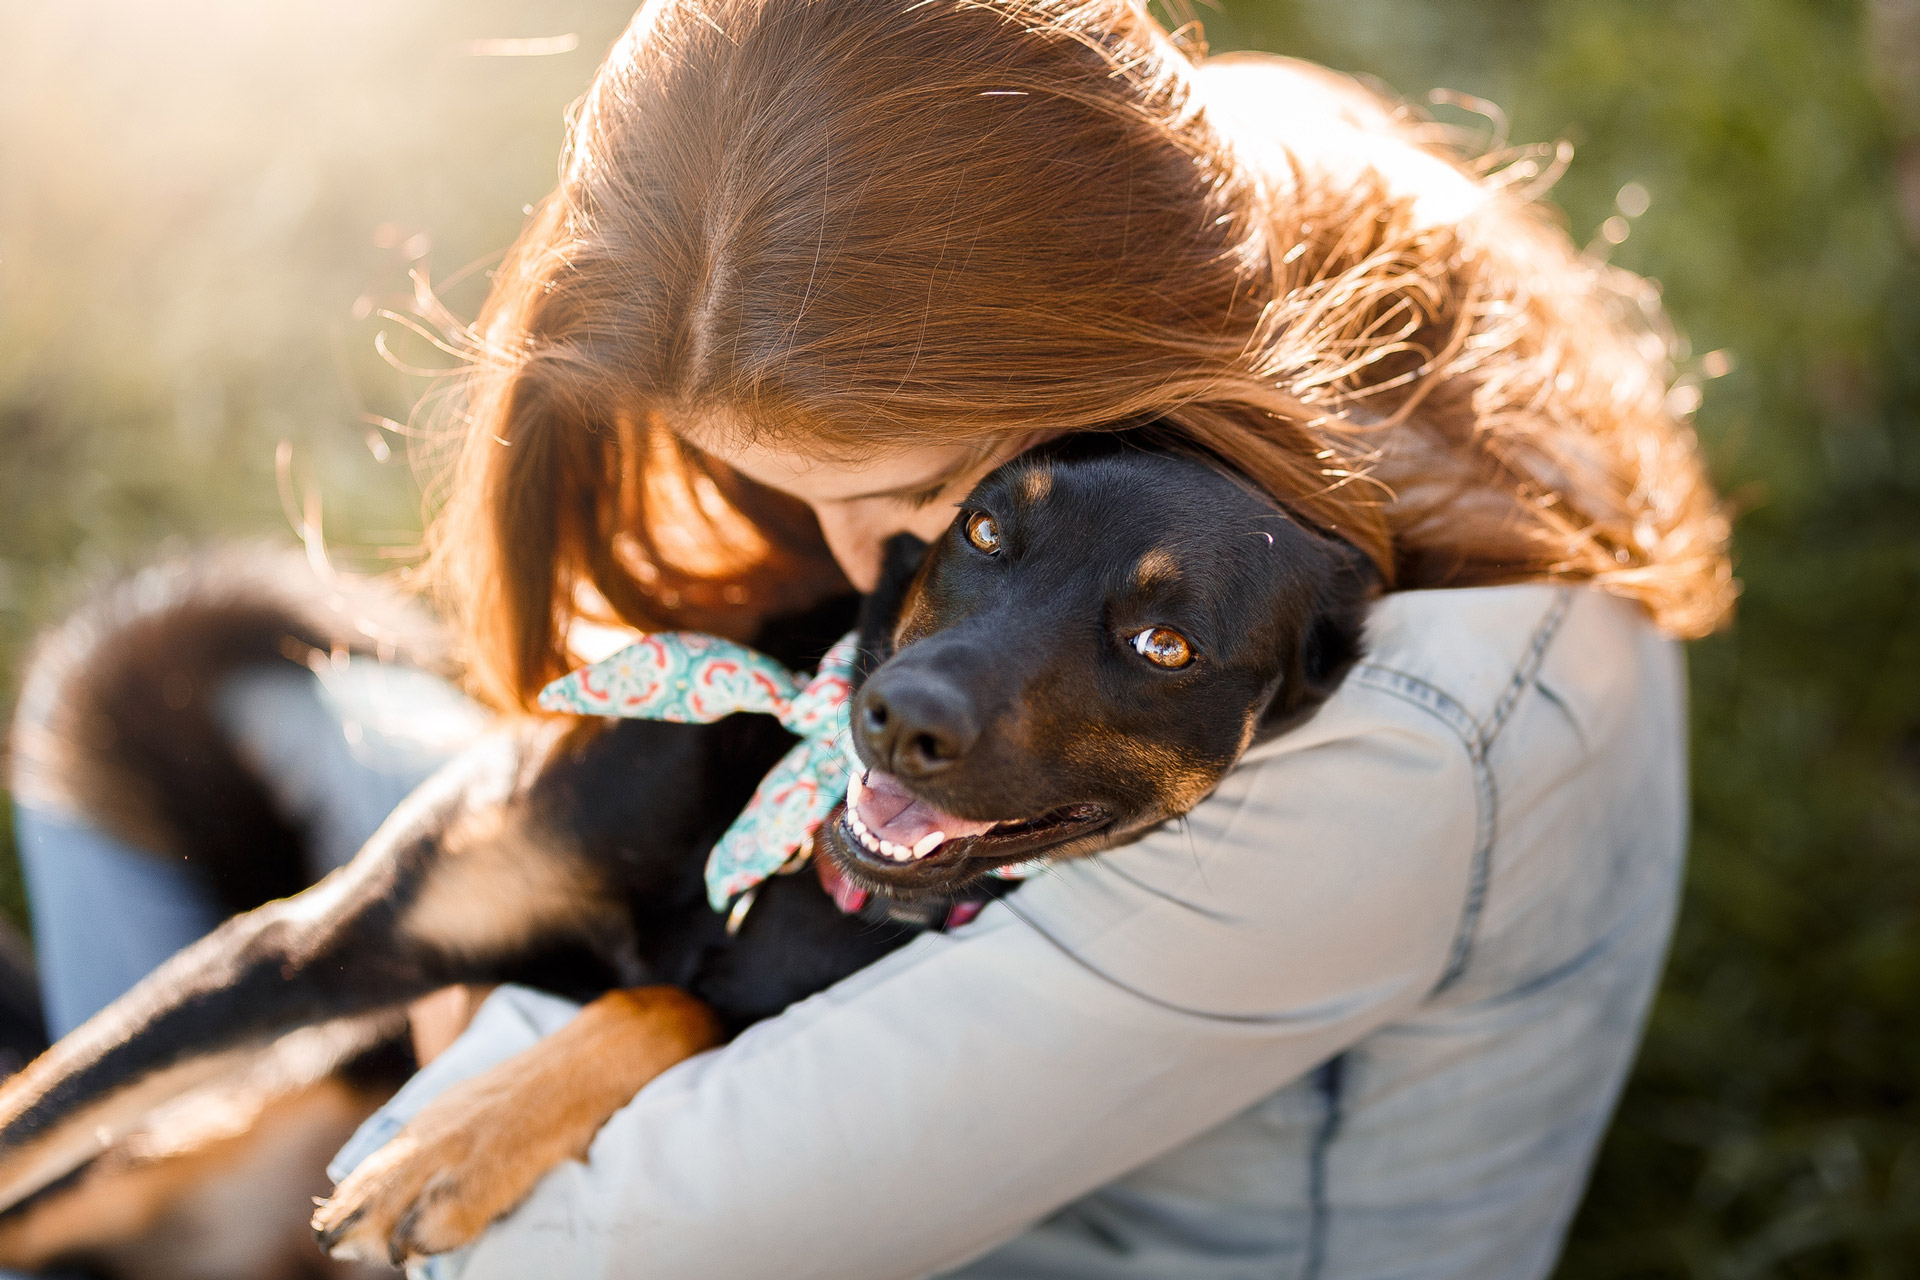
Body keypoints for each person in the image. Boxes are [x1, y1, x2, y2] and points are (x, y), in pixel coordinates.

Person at [11, 1, 1734, 1277]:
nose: (861, 569)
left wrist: (472, 972)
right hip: (766, 916)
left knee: (330, 1109)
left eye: (917, 489)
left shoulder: (1345, 757)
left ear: (1087, 372)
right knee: (168, 678)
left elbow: (558, 1252)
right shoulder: (1218, 214)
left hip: (991, 1228)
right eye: (768, 480)